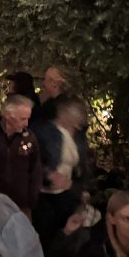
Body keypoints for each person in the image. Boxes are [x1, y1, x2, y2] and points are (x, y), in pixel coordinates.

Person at [34, 97, 91, 248]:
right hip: (46, 195)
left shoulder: (78, 136)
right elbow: (34, 160)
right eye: (76, 113)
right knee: (46, 235)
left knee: (69, 235)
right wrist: (50, 174)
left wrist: (83, 189)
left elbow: (82, 165)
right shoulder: (44, 132)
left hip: (68, 193)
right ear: (64, 113)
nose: (80, 117)